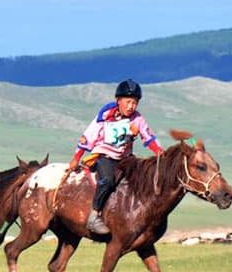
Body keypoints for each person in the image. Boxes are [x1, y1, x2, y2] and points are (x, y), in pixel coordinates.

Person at [68, 79, 163, 235]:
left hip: (125, 158)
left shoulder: (137, 119)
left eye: (135, 103)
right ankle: (94, 215)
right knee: (107, 180)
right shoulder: (105, 116)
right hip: (105, 155)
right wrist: (76, 157)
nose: (131, 106)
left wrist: (159, 152)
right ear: (118, 101)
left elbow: (149, 137)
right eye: (128, 102)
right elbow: (88, 135)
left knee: (141, 180)